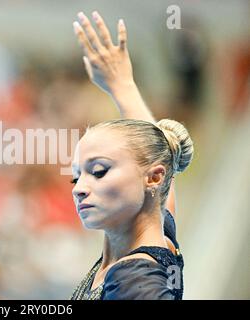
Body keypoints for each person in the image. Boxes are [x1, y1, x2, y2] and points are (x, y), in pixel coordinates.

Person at [70, 11, 194, 300]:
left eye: (99, 171)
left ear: (153, 177)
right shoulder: (158, 236)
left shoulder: (135, 277)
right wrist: (122, 87)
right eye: (75, 177)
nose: (79, 188)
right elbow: (156, 159)